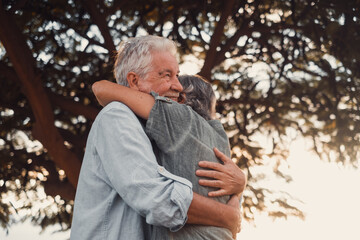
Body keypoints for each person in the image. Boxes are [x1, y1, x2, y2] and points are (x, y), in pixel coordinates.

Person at [70, 35, 245, 240]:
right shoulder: (116, 115)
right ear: (134, 81)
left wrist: (240, 185)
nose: (179, 86)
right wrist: (229, 217)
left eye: (177, 75)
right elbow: (155, 198)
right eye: (166, 75)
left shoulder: (158, 127)